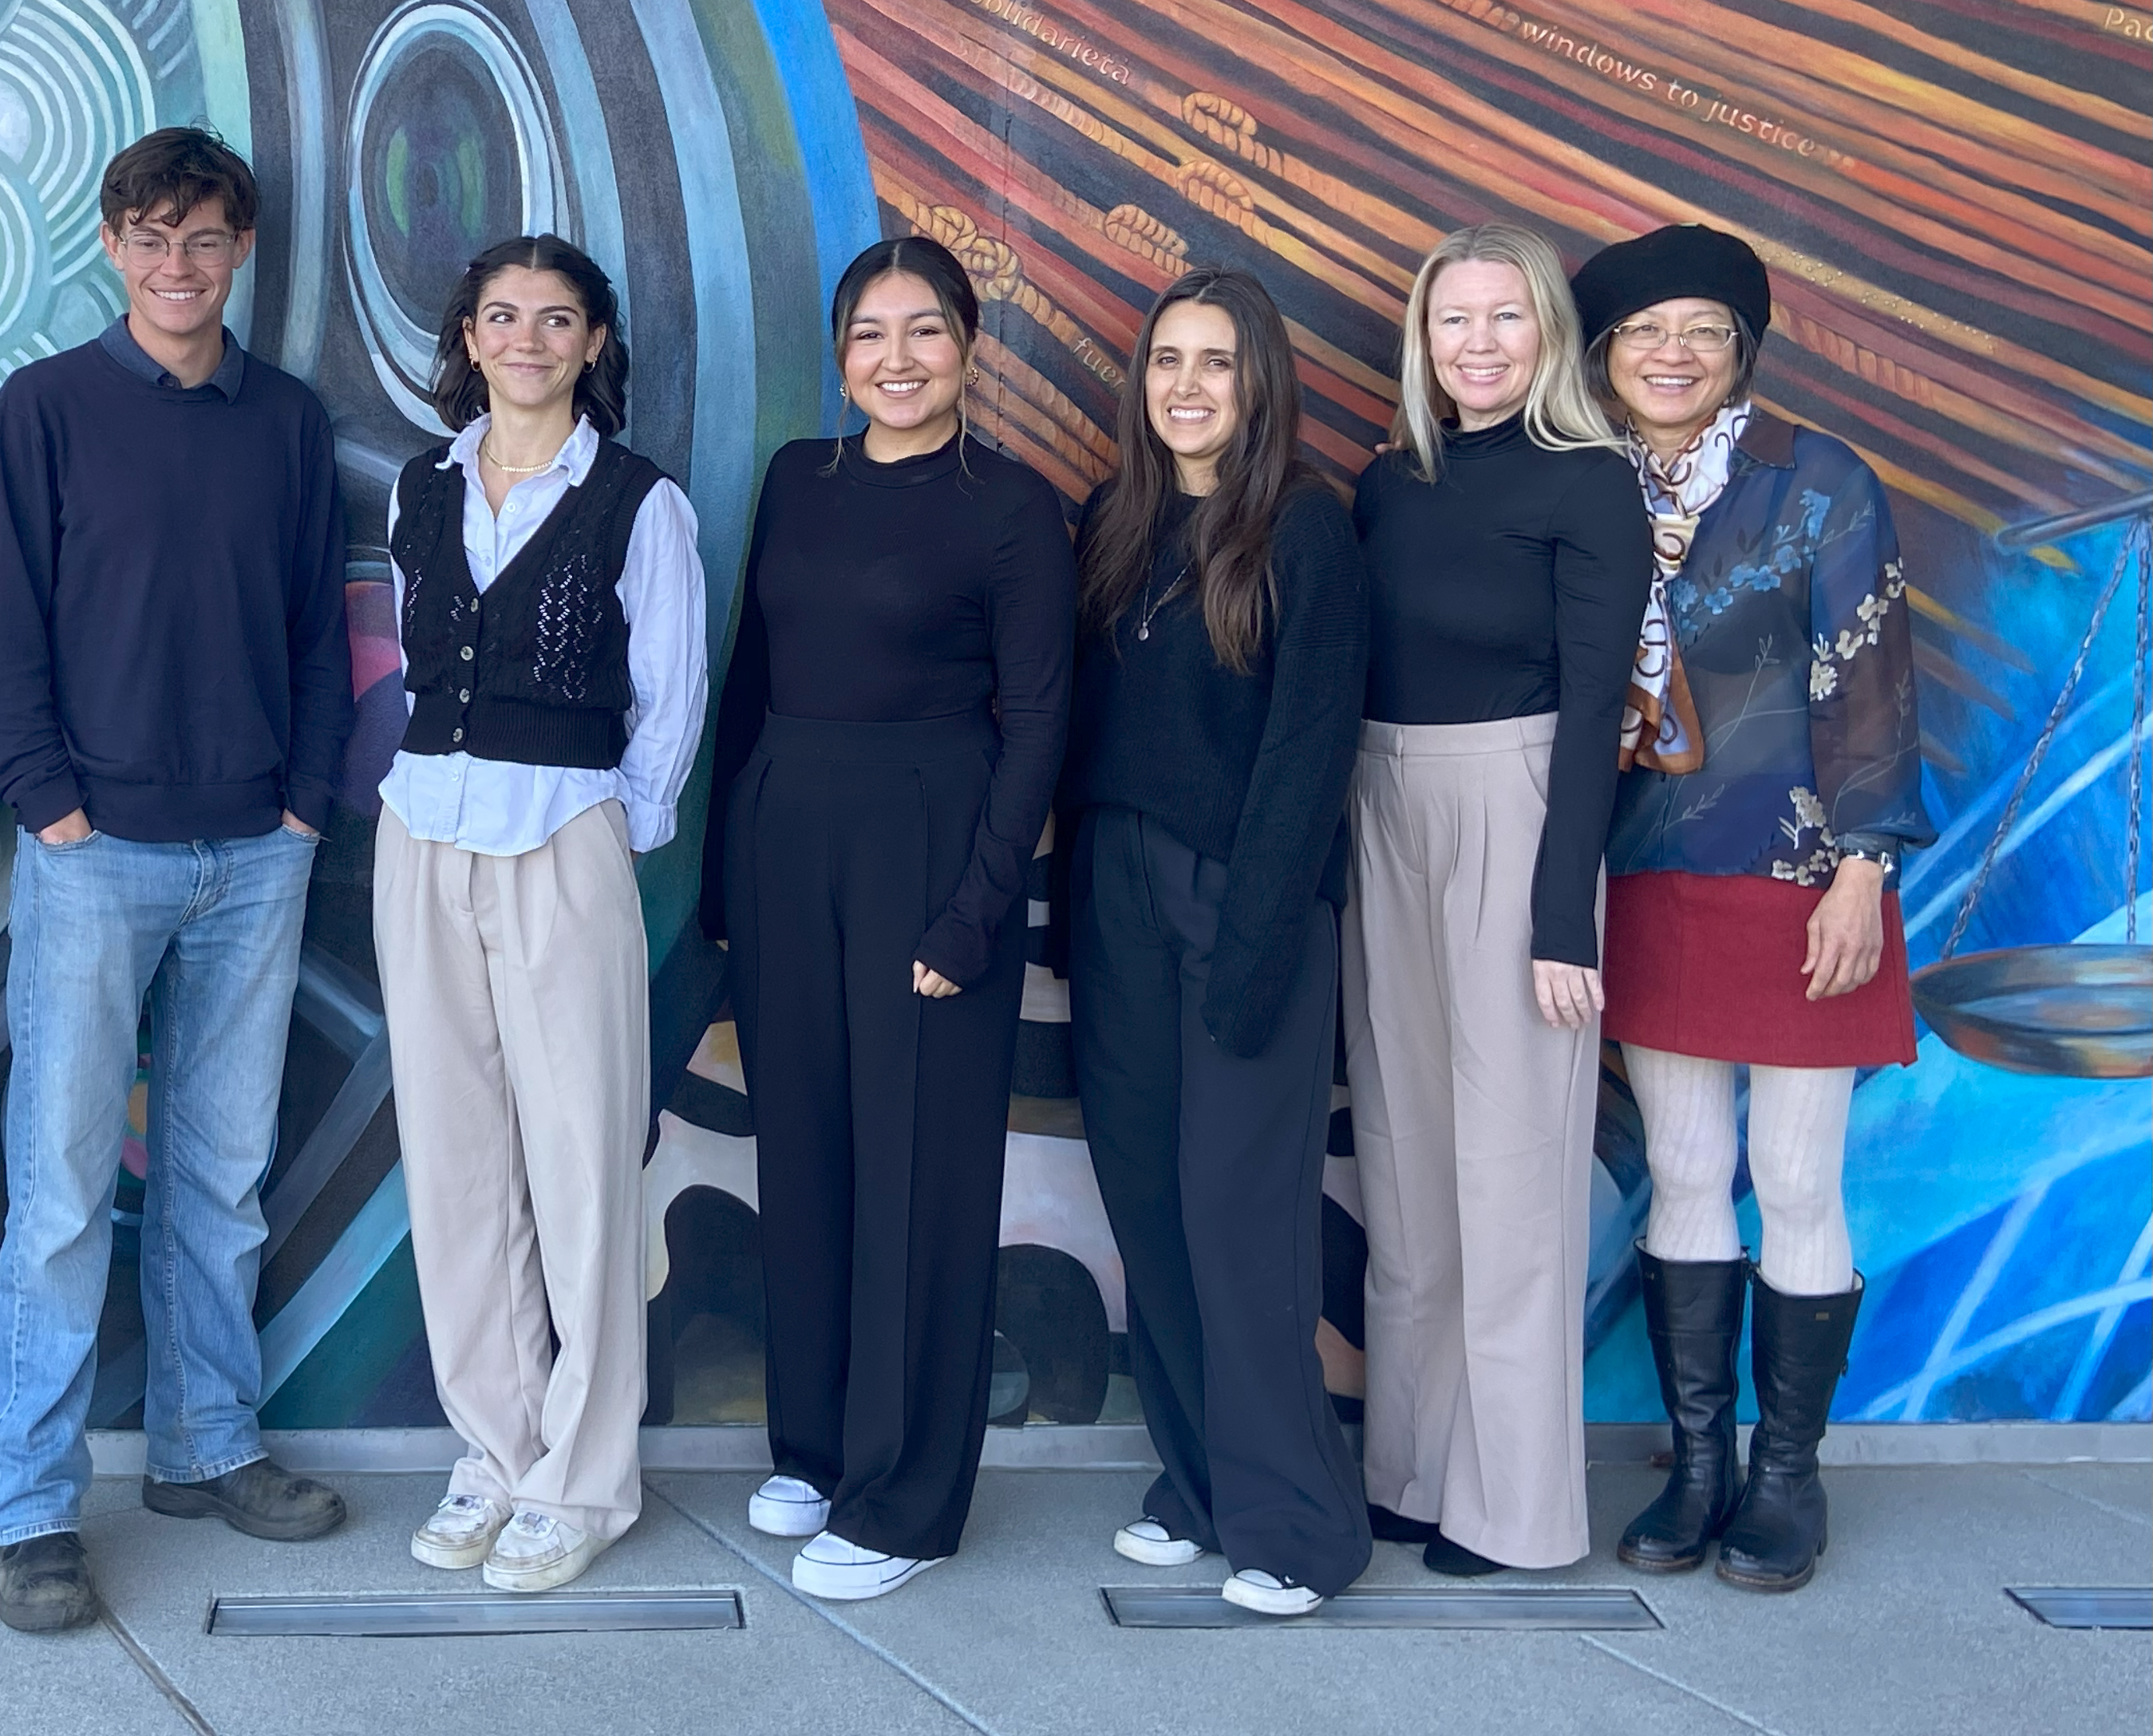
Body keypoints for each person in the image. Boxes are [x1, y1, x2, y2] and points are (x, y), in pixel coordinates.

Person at [0, 127, 357, 1633]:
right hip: (96, 851)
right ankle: (35, 1509)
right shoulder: (46, 409)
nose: (176, 264)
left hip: (259, 846)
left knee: (221, 1174)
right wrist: (51, 809)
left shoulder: (287, 422)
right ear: (112, 247)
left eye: (202, 238)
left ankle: (206, 1445)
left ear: (240, 248)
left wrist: (309, 805)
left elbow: (323, 627)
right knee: (60, 1194)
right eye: (148, 235)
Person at [701, 235, 1071, 1603]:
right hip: (789, 829)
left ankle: (905, 1498)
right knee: (803, 1149)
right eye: (871, 334)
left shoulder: (1014, 510)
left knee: (920, 1173)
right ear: (841, 350)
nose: (897, 361)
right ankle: (816, 1444)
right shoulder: (801, 478)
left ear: (971, 347)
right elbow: (753, 675)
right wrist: (731, 883)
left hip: (934, 834)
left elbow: (1038, 723)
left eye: (925, 333)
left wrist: (983, 907)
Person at [1573, 225, 1933, 1594]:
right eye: (1647, 331)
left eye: (1705, 332)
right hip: (1648, 870)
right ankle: (1699, 1463)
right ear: (1606, 355)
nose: (1674, 354)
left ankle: (1789, 1478)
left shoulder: (1816, 481)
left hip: (1801, 880)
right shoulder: (1581, 481)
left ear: (1742, 355)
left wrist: (1863, 866)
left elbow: (1872, 674)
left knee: (1790, 1176)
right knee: (1677, 1171)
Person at [377, 236, 706, 1595]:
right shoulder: (419, 484)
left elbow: (670, 699)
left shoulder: (640, 500)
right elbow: (414, 649)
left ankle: (582, 1477)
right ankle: (494, 1455)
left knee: (579, 1171)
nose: (524, 338)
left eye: (553, 318)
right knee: (457, 1166)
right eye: (500, 315)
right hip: (423, 831)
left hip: (563, 834)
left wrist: (603, 828)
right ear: (466, 336)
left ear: (592, 345)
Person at [1060, 267, 1373, 1618]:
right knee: (1151, 1210)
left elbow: (1310, 756)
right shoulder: (1112, 522)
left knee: (1242, 1224)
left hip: (1245, 906)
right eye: (1167, 361)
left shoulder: (1308, 532)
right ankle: (1196, 1485)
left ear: (1261, 385)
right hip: (1117, 903)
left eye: (1217, 364)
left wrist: (1252, 946)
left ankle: (1298, 1527)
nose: (1187, 387)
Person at [1345, 222, 1648, 1578]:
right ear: (1422, 341)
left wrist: (1561, 915)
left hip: (1519, 804)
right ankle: (1410, 1470)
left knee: (1514, 1176)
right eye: (1452, 321)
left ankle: (1514, 1510)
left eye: (1504, 320)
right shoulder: (1385, 485)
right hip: (1380, 803)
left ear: (1548, 338)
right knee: (1408, 1163)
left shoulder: (1590, 485)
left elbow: (1598, 713)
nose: (1477, 346)